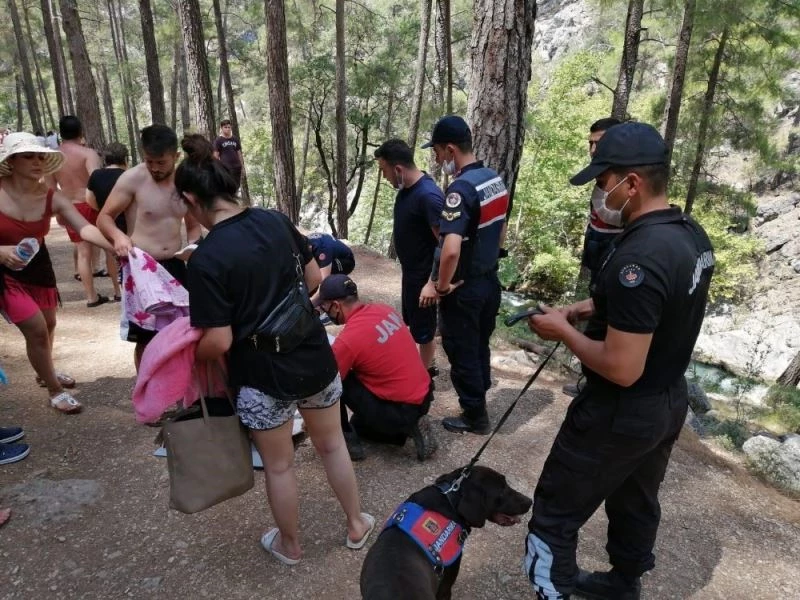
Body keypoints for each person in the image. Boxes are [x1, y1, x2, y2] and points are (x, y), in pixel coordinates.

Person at [523, 122, 715, 600]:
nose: (598, 191)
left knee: (554, 512)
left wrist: (564, 332)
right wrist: (585, 309)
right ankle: (624, 583)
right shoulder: (688, 233)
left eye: (603, 180)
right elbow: (660, 307)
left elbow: (622, 366)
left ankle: (556, 591)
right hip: (667, 399)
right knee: (635, 497)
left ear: (632, 183)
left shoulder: (641, 256)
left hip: (621, 408)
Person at [176, 134, 374, 565]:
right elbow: (314, 280)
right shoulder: (276, 220)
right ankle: (357, 523)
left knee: (280, 466)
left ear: (191, 198)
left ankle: (291, 545)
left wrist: (188, 357)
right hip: (312, 355)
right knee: (333, 445)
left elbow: (220, 340)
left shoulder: (206, 259)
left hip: (261, 373)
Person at [0, 132, 115, 413]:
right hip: (4, 273)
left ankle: (45, 370)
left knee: (49, 324)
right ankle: (55, 390)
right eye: (29, 156)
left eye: (40, 156)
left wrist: (117, 245)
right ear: (11, 161)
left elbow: (84, 227)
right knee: (37, 329)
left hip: (38, 267)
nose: (37, 162)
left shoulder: (53, 197)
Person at [422, 115, 509, 435]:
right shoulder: (493, 180)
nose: (436, 158)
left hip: (465, 287)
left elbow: (451, 249)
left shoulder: (460, 189)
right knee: (480, 342)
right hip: (489, 280)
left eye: (437, 152)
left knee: (461, 347)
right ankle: (480, 392)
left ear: (450, 149)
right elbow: (500, 229)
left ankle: (475, 415)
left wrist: (441, 286)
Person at [97, 125, 201, 370]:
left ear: (175, 157)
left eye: (161, 162)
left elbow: (194, 225)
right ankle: (148, 398)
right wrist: (119, 238)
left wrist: (194, 248)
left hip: (175, 265)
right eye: (149, 161)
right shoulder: (133, 178)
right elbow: (104, 217)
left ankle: (181, 396)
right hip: (142, 268)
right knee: (145, 336)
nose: (154, 168)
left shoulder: (186, 182)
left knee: (181, 332)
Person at [314, 274, 437, 462]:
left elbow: (325, 384)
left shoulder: (348, 340)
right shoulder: (384, 309)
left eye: (325, 308)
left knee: (333, 378)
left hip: (400, 411)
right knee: (361, 425)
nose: (326, 313)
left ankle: (346, 439)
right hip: (425, 396)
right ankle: (409, 425)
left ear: (336, 306)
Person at [563, 117, 623, 398]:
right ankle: (589, 380)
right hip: (596, 247)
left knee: (610, 314)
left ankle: (598, 383)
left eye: (598, 143)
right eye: (591, 143)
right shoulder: (600, 176)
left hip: (617, 254)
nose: (593, 149)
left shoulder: (624, 179)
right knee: (595, 305)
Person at [374, 138, 443, 378]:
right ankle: (424, 368)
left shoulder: (429, 196)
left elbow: (445, 243)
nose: (384, 177)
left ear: (398, 169)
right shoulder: (406, 191)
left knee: (424, 332)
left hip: (425, 278)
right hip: (411, 274)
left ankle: (421, 382)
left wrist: (432, 282)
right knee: (414, 325)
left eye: (384, 170)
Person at [51, 116, 106, 307]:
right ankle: (100, 293)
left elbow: (50, 189)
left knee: (83, 251)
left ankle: (91, 296)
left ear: (61, 133)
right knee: (102, 245)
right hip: (89, 204)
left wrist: (59, 211)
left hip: (69, 206)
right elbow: (96, 180)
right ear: (80, 131)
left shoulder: (53, 157)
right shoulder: (88, 154)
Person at [85, 142, 130, 302]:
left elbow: (89, 199)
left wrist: (104, 210)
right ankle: (130, 286)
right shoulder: (128, 175)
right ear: (125, 158)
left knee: (110, 254)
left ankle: (118, 291)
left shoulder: (96, 175)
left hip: (106, 221)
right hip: (127, 221)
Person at [212, 119, 245, 190]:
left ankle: (233, 200)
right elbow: (215, 156)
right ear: (221, 128)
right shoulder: (218, 140)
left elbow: (239, 154)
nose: (227, 129)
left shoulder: (235, 139)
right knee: (228, 187)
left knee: (236, 187)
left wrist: (242, 167)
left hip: (237, 167)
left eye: (229, 127)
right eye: (225, 127)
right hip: (227, 168)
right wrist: (218, 169)